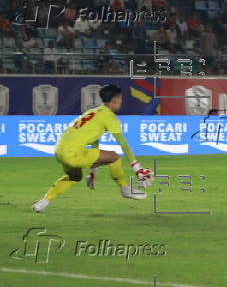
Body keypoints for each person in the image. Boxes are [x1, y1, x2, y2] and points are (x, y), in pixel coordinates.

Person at [32, 85, 153, 213]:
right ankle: (125, 189)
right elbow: (124, 145)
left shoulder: (92, 112)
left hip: (59, 151)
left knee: (74, 177)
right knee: (114, 157)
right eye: (120, 99)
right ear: (116, 100)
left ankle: (43, 202)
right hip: (74, 153)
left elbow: (94, 144)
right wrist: (137, 168)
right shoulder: (110, 117)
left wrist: (93, 171)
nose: (121, 102)